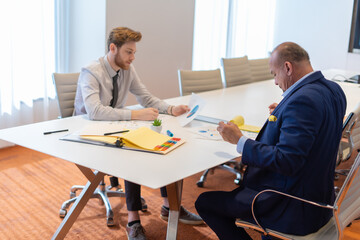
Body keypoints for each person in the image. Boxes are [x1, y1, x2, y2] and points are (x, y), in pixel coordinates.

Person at [195, 42, 347, 240]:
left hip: (289, 204)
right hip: (319, 198)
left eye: (275, 74)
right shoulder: (333, 90)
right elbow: (315, 131)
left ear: (288, 68)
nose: (275, 82)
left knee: (205, 203)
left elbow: (288, 160)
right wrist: (285, 113)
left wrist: (240, 140)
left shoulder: (303, 101)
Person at [74, 27, 203, 240]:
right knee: (133, 153)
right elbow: (95, 111)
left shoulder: (127, 69)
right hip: (88, 134)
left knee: (163, 143)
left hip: (115, 127)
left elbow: (146, 98)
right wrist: (135, 115)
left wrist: (171, 109)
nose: (133, 57)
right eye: (129, 52)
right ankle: (133, 222)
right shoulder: (91, 71)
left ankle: (170, 207)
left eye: (134, 52)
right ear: (112, 48)